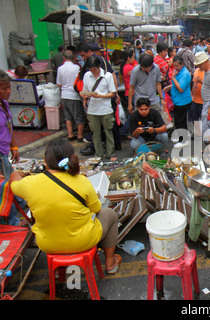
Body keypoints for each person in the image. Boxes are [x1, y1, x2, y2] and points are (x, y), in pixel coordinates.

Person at [9, 138, 121, 274]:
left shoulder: (29, 184)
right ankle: (110, 261)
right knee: (110, 214)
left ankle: (60, 271)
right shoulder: (82, 181)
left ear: (45, 159)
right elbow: (96, 209)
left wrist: (17, 173)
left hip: (47, 244)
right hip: (83, 241)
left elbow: (13, 183)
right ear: (71, 159)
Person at [80, 55, 117, 159]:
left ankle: (110, 153)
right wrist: (85, 98)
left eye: (95, 69)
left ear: (99, 66)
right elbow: (85, 90)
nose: (93, 72)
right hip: (92, 109)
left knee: (108, 132)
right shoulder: (87, 75)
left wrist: (101, 96)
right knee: (95, 134)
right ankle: (98, 154)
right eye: (91, 70)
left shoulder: (107, 76)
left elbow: (112, 93)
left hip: (105, 109)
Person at [56, 50, 86, 142]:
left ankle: (70, 134)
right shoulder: (76, 67)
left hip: (64, 95)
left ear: (64, 58)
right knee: (79, 115)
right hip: (74, 95)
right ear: (73, 58)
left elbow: (59, 83)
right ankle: (80, 136)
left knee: (68, 116)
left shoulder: (60, 68)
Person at [163, 56, 192, 148]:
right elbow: (177, 85)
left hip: (182, 101)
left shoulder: (185, 74)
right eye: (174, 65)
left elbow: (180, 88)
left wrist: (173, 78)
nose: (175, 67)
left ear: (182, 64)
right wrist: (171, 86)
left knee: (180, 121)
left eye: (177, 66)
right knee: (179, 120)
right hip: (177, 100)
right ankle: (181, 136)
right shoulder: (179, 72)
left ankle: (184, 140)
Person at [0, 70, 20, 179]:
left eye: (9, 87)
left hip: (4, 152)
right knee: (9, 185)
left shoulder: (5, 104)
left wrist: (14, 147)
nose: (8, 91)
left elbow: (9, 127)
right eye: (4, 89)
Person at [119, 49, 137, 114]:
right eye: (133, 57)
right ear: (128, 58)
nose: (134, 59)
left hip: (128, 92)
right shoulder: (129, 67)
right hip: (131, 93)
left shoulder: (125, 67)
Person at [189, 67, 205, 137]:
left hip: (203, 99)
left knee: (204, 118)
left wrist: (201, 81)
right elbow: (194, 82)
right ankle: (198, 131)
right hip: (194, 98)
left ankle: (206, 133)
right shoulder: (196, 70)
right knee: (193, 116)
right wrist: (191, 93)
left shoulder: (208, 72)